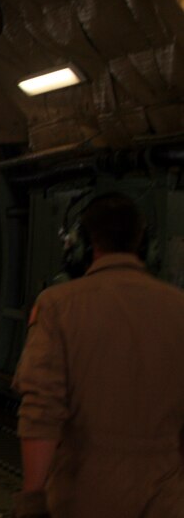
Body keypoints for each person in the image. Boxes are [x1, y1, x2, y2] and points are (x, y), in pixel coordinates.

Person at [12, 192, 184, 517]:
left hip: (84, 495)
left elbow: (41, 410)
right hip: (166, 498)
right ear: (144, 244)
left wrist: (33, 496)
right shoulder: (179, 308)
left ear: (84, 245)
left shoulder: (58, 306)